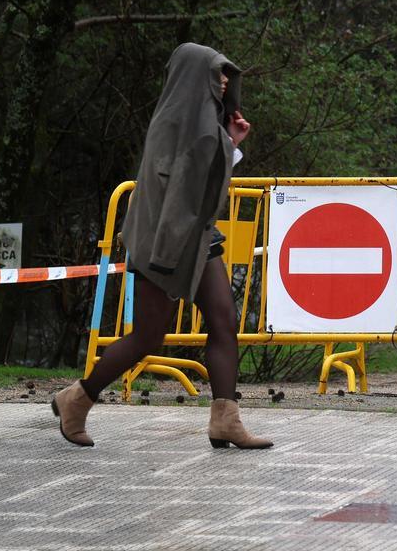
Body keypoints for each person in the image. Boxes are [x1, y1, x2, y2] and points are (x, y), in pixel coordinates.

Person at [52, 43, 272, 449]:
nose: (225, 80)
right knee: (149, 336)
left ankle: (226, 420)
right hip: (162, 241)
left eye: (226, 73)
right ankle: (77, 399)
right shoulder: (175, 122)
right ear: (194, 76)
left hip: (197, 235)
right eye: (217, 73)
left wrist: (230, 141)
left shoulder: (201, 121)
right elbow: (182, 187)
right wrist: (169, 259)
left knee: (223, 320)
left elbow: (202, 181)